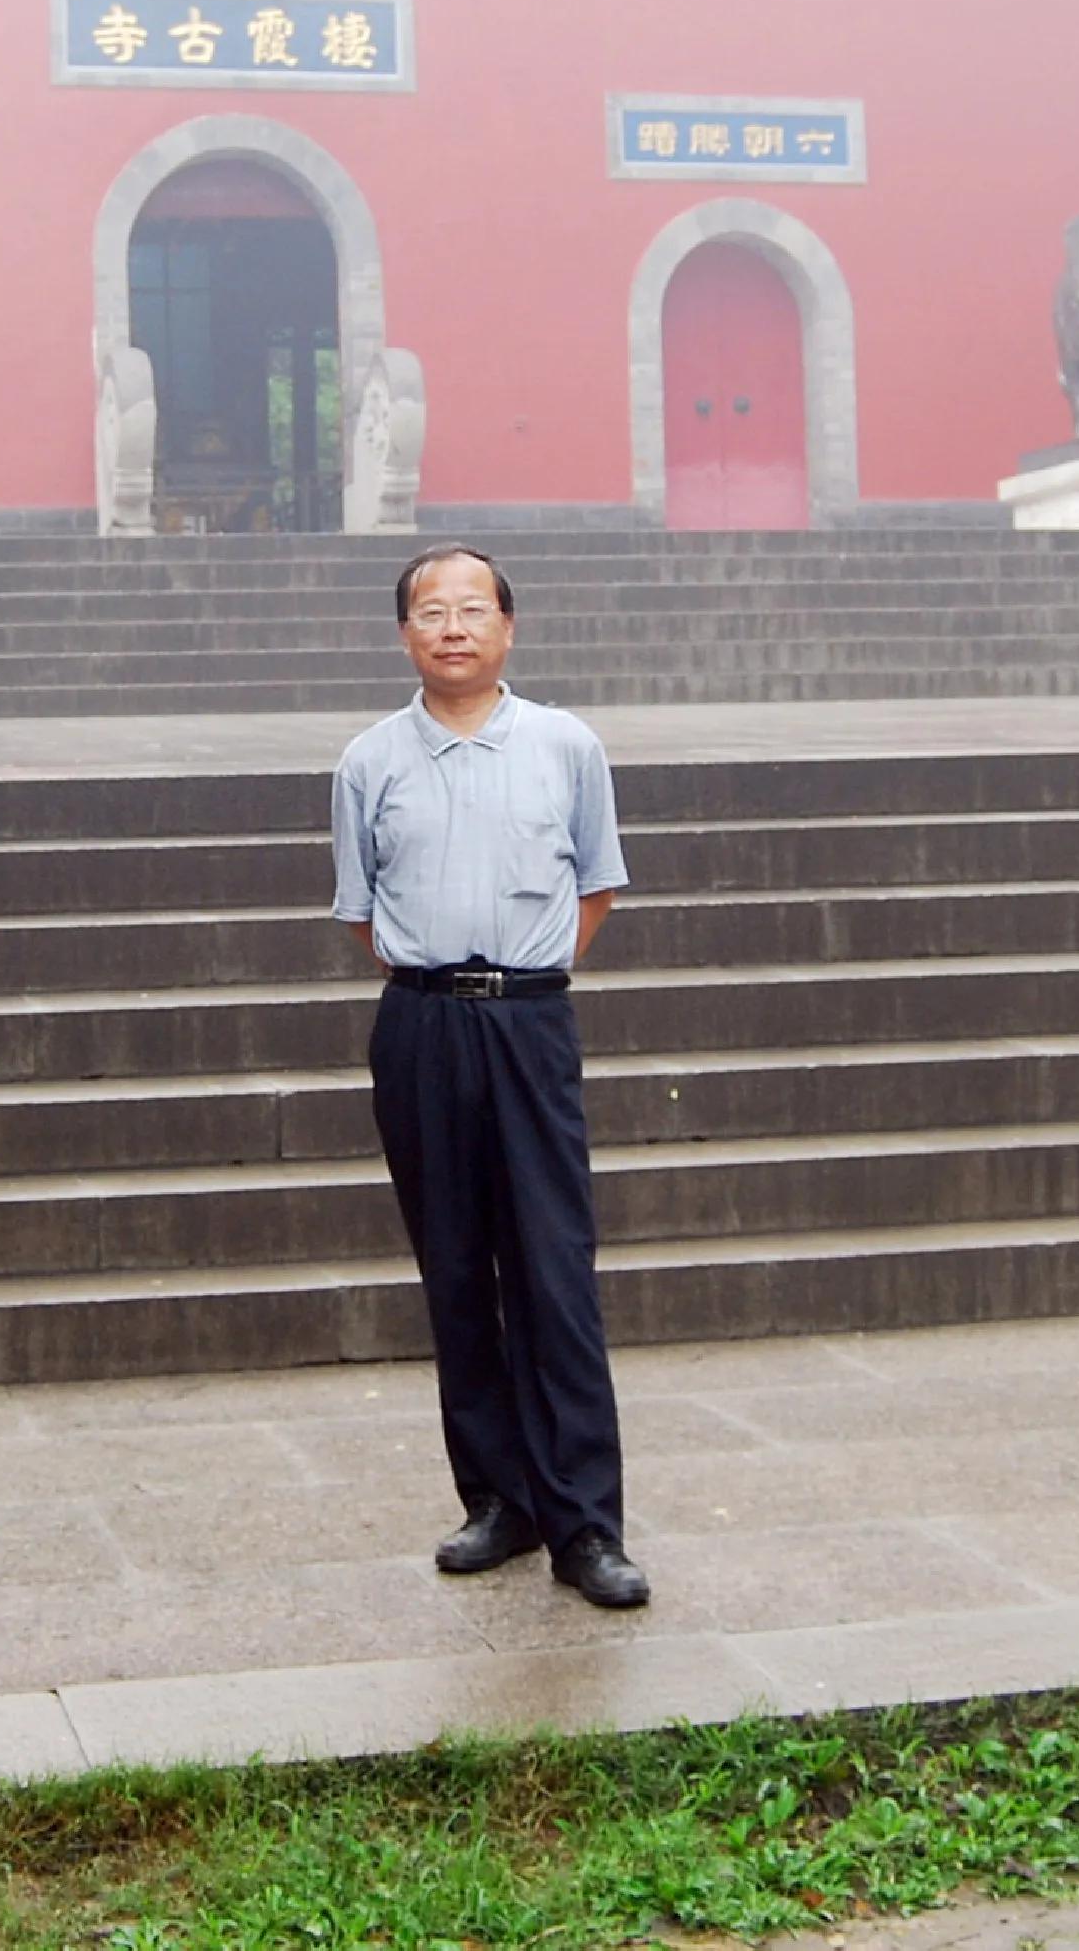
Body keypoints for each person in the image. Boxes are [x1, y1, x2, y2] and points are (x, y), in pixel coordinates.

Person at [330, 543, 649, 1612]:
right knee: (457, 1271)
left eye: (474, 609)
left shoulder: (565, 746)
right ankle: (499, 1502)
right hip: (421, 1027)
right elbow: (369, 918)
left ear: (509, 627)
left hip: (529, 1026)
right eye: (431, 611)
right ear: (405, 635)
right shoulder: (368, 761)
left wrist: (527, 977)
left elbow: (596, 888)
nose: (453, 627)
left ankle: (585, 1524)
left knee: (554, 1269)